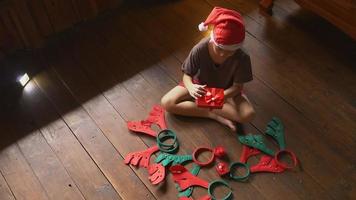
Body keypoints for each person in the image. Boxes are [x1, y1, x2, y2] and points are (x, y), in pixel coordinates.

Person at [161, 7, 255, 132]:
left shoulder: (242, 57)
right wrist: (190, 87)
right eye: (220, 49)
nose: (222, 54)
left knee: (248, 114)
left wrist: (220, 97)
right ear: (213, 40)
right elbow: (187, 75)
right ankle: (211, 114)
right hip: (200, 85)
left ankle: (207, 108)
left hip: (227, 90)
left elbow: (237, 87)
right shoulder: (200, 48)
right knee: (167, 102)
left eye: (229, 52)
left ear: (237, 48)